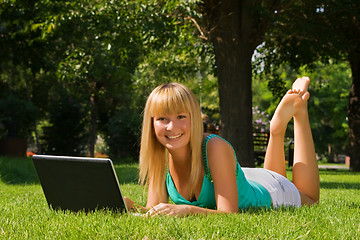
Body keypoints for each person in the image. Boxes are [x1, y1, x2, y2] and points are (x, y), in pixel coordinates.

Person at [124, 77, 320, 217]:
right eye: (162, 119)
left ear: (194, 118)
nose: (171, 127)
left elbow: (229, 214)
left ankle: (297, 114)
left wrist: (188, 210)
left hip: (272, 191)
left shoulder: (214, 147)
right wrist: (130, 206)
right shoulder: (160, 156)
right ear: (151, 123)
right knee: (272, 175)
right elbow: (154, 212)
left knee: (310, 200)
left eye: (181, 117)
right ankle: (276, 132)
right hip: (247, 179)